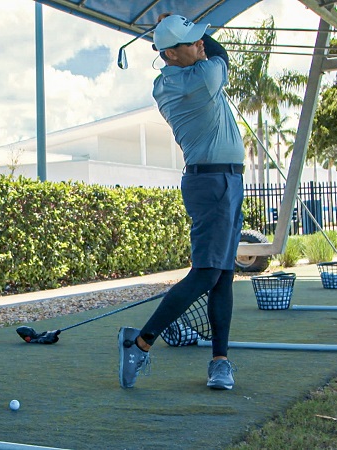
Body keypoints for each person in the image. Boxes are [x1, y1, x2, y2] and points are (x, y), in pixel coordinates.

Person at [118, 14, 246, 390]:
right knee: (208, 273)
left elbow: (207, 49)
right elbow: (221, 55)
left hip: (223, 181)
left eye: (198, 39)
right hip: (212, 183)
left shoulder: (172, 78)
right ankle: (140, 343)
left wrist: (181, 26)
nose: (201, 44)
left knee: (222, 274)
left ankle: (220, 362)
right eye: (192, 41)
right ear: (171, 54)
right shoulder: (201, 77)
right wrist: (197, 19)